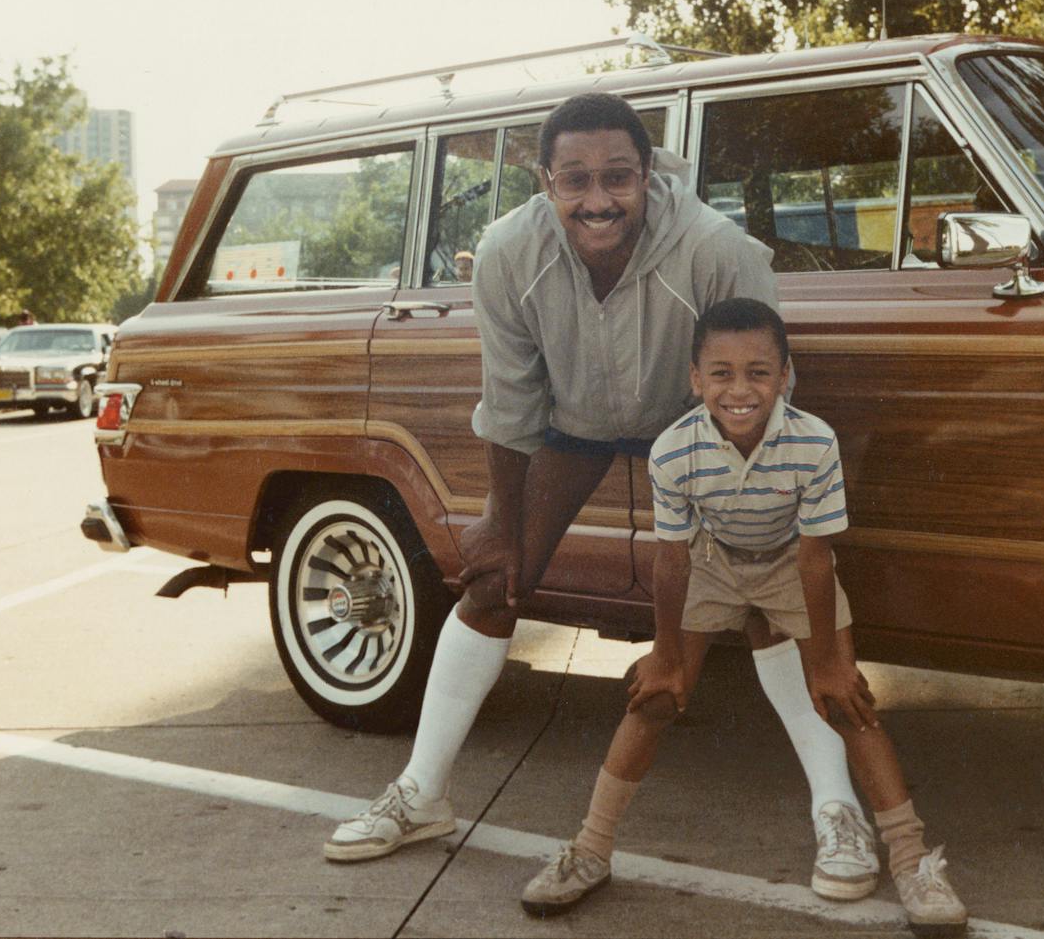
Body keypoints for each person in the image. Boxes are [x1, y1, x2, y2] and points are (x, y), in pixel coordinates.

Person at [324, 96, 873, 892]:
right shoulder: (510, 251)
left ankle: (837, 809)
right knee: (493, 580)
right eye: (574, 180)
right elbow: (510, 402)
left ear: (649, 174)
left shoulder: (721, 250)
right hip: (574, 426)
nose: (598, 199)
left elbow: (761, 393)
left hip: (701, 431)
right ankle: (422, 792)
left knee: (766, 598)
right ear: (544, 181)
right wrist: (500, 524)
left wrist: (757, 524)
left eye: (618, 177)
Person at [519, 299, 968, 931]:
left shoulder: (814, 442)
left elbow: (815, 560)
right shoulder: (675, 451)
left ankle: (914, 862)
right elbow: (673, 561)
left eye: (759, 372)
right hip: (713, 560)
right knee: (654, 697)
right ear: (696, 380)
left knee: (846, 700)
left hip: (790, 561)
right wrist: (666, 654)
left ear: (786, 376)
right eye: (721, 373)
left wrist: (830, 664)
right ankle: (590, 851)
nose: (740, 389)